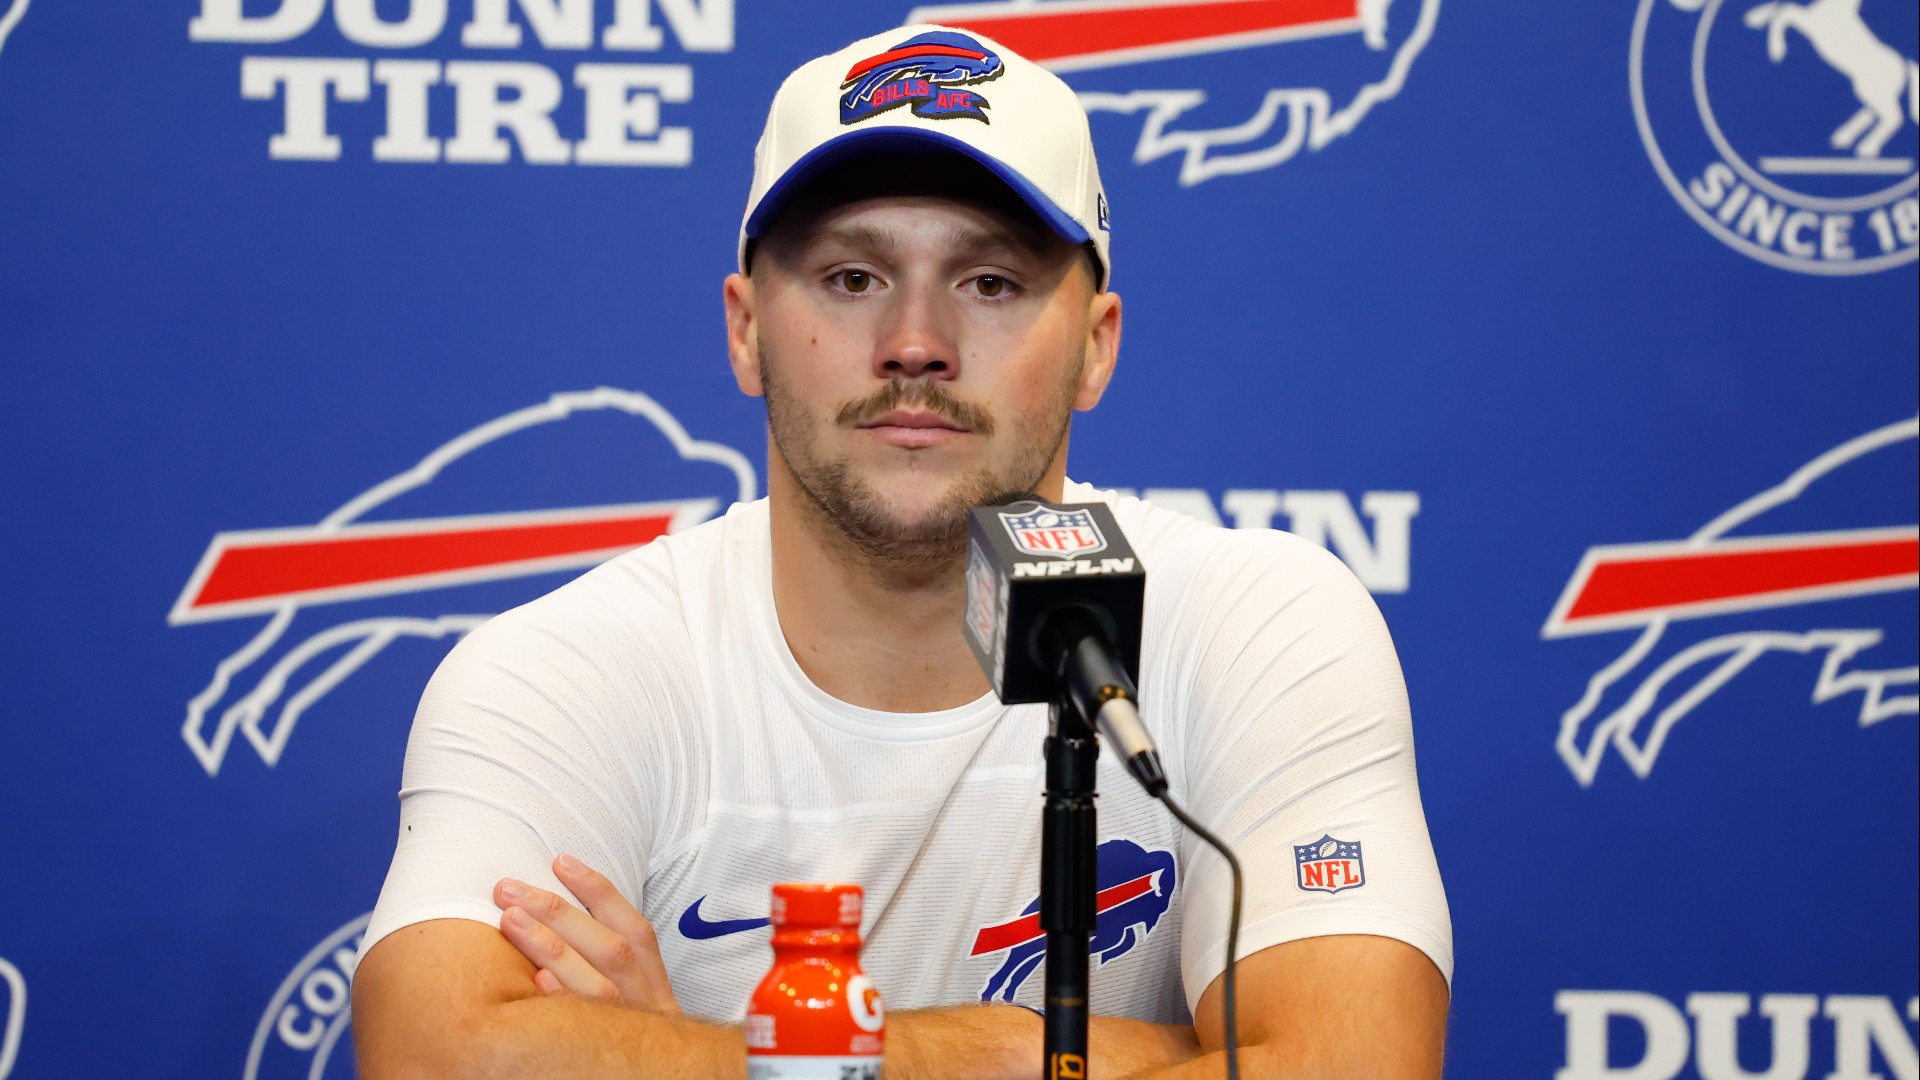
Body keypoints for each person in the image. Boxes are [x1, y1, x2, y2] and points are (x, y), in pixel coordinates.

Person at [351, 23, 1452, 1080]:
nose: (914, 344)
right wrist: (1015, 1052)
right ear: (744, 328)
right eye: (851, 277)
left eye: (990, 283)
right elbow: (439, 1056)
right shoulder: (568, 673)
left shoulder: (1252, 625)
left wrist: (693, 1055)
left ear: (1096, 347)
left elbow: (1354, 1066)